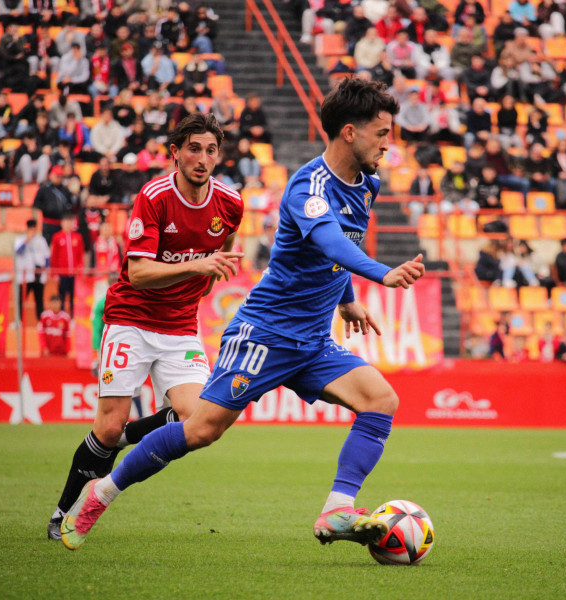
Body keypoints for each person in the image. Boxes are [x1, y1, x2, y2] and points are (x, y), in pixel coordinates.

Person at [59, 78, 425, 552]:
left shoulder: (367, 184)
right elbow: (328, 240)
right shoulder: (307, 187)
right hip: (265, 334)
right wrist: (381, 274)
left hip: (313, 341)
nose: (388, 143)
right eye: (382, 133)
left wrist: (348, 297)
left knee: (381, 400)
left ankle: (337, 508)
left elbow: (343, 246)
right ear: (350, 132)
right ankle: (101, 491)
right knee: (200, 431)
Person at [46, 113, 245, 541]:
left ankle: (123, 444)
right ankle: (62, 511)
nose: (203, 158)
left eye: (211, 150)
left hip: (180, 328)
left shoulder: (230, 203)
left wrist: (210, 271)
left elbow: (224, 244)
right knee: (108, 426)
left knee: (198, 421)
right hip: (132, 321)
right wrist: (200, 264)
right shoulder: (153, 196)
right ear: (175, 153)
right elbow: (137, 273)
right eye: (194, 148)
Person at [14, 219, 50, 321]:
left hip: (38, 274)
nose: (32, 231)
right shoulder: (20, 239)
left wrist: (46, 269)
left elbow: (47, 256)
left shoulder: (41, 240)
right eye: (31, 228)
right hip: (25, 276)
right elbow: (18, 251)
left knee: (39, 300)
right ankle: (18, 320)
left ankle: (41, 322)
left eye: (34, 228)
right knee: (21, 299)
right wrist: (27, 240)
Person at [49, 214, 85, 316]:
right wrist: (55, 273)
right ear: (62, 223)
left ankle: (74, 316)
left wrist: (80, 269)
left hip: (74, 273)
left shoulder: (77, 237)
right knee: (62, 296)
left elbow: (80, 255)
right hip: (62, 274)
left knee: (74, 296)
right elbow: (54, 256)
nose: (68, 224)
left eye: (70, 222)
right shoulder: (57, 237)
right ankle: (62, 316)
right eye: (66, 222)